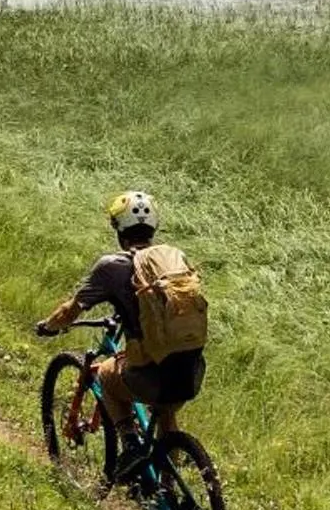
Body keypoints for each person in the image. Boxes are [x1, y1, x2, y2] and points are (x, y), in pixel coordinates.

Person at [36, 189, 207, 450]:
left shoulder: (111, 266)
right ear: (153, 227)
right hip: (191, 372)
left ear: (118, 228)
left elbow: (70, 311)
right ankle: (167, 483)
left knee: (105, 376)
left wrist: (48, 326)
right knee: (164, 411)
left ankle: (128, 445)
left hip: (150, 378)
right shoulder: (173, 259)